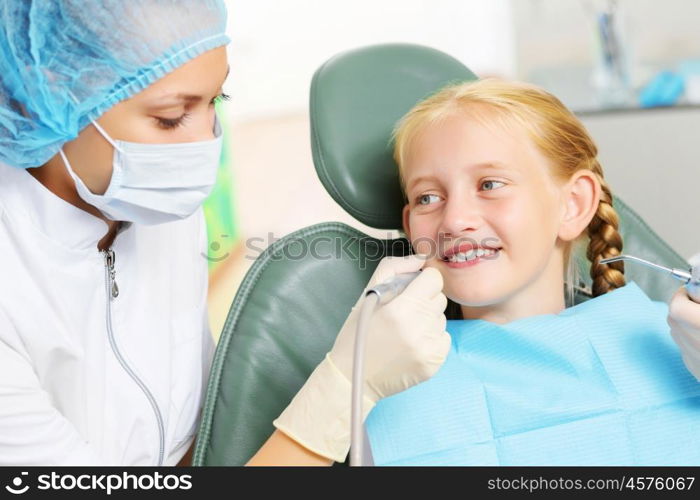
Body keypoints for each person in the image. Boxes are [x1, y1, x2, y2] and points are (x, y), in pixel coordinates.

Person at [248, 78, 700, 465]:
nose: (454, 219)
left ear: (573, 203)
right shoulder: (377, 375)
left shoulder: (678, 347)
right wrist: (345, 384)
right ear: (410, 226)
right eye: (428, 197)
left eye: (490, 185)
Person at [0, 0, 230, 465]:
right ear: (53, 92)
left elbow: (194, 413)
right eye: (170, 118)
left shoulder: (162, 202)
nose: (206, 142)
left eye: (217, 100)